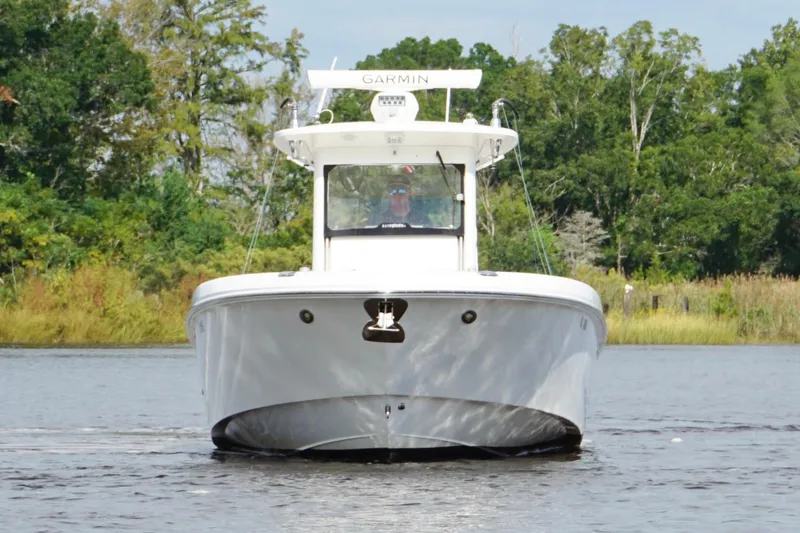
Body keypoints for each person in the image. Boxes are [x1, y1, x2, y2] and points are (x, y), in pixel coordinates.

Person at [368, 174, 433, 227]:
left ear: (410, 192)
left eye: (402, 190)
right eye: (392, 191)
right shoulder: (377, 221)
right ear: (387, 194)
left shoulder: (423, 219)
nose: (397, 195)